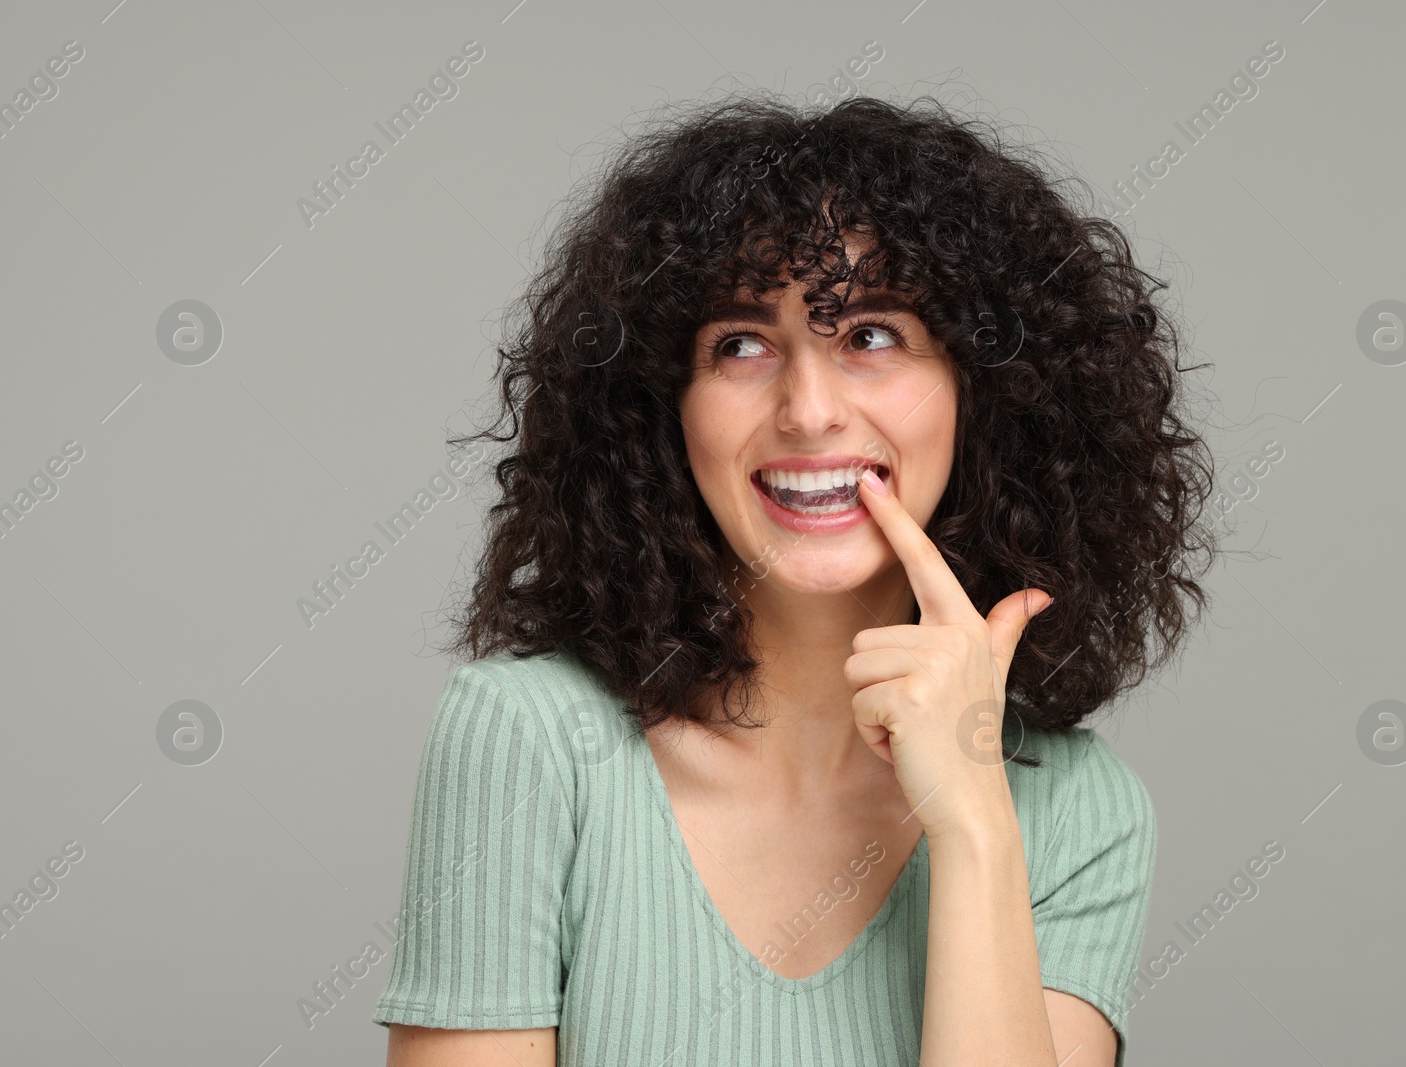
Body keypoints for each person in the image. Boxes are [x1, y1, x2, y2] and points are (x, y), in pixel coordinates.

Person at [373, 90, 1217, 1067]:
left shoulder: (1077, 807)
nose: (808, 410)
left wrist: (976, 824)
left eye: (870, 335)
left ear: (983, 392)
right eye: (739, 343)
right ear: (662, 409)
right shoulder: (526, 742)